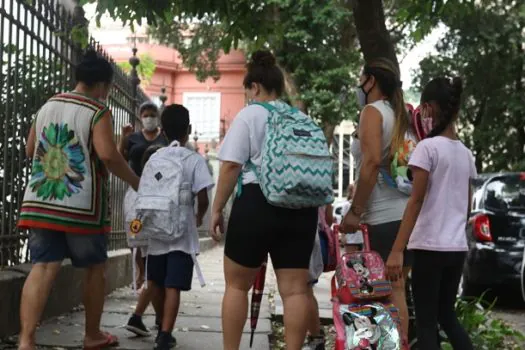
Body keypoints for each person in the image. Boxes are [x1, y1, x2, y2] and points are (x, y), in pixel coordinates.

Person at [17, 50, 140, 350]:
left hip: (42, 202)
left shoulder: (48, 105)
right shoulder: (97, 111)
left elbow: (30, 150)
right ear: (102, 85)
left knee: (43, 266)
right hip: (81, 208)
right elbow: (109, 156)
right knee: (94, 268)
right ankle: (92, 335)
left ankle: (25, 340)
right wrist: (137, 182)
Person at [210, 50, 318, 350]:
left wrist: (217, 209)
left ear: (255, 87)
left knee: (236, 285)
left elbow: (231, 166)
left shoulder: (251, 114)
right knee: (295, 291)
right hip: (300, 208)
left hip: (257, 203)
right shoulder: (299, 117)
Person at [386, 77, 475, 350]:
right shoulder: (466, 153)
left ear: (427, 109)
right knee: (447, 316)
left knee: (425, 322)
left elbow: (415, 201)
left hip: (428, 247)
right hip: (456, 248)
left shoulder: (427, 148)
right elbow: (468, 206)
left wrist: (397, 250)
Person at [340, 58, 412, 347]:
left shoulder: (372, 111)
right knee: (397, 290)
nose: (359, 84)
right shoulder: (402, 114)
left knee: (383, 293)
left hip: (382, 217)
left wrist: (355, 212)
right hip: (405, 216)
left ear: (371, 81)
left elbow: (370, 164)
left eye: (361, 78)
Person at [145, 104, 214, 350]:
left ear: (162, 130)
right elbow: (203, 198)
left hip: (156, 232)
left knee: (155, 281)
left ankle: (160, 322)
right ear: (189, 130)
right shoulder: (194, 160)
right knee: (173, 284)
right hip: (181, 233)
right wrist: (199, 216)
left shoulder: (155, 158)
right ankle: (165, 334)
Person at [120, 102, 167, 337]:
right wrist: (123, 138)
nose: (149, 119)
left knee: (152, 264)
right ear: (140, 118)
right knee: (150, 265)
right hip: (139, 203)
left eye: (152, 115)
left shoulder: (165, 140)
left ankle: (158, 318)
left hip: (154, 201)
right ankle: (139, 316)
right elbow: (118, 160)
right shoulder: (133, 139)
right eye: (145, 115)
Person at [303, 205, 333, 350]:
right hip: (314, 233)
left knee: (300, 292)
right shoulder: (320, 182)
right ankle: (315, 338)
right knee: (305, 291)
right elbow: (329, 219)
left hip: (302, 232)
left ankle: (312, 338)